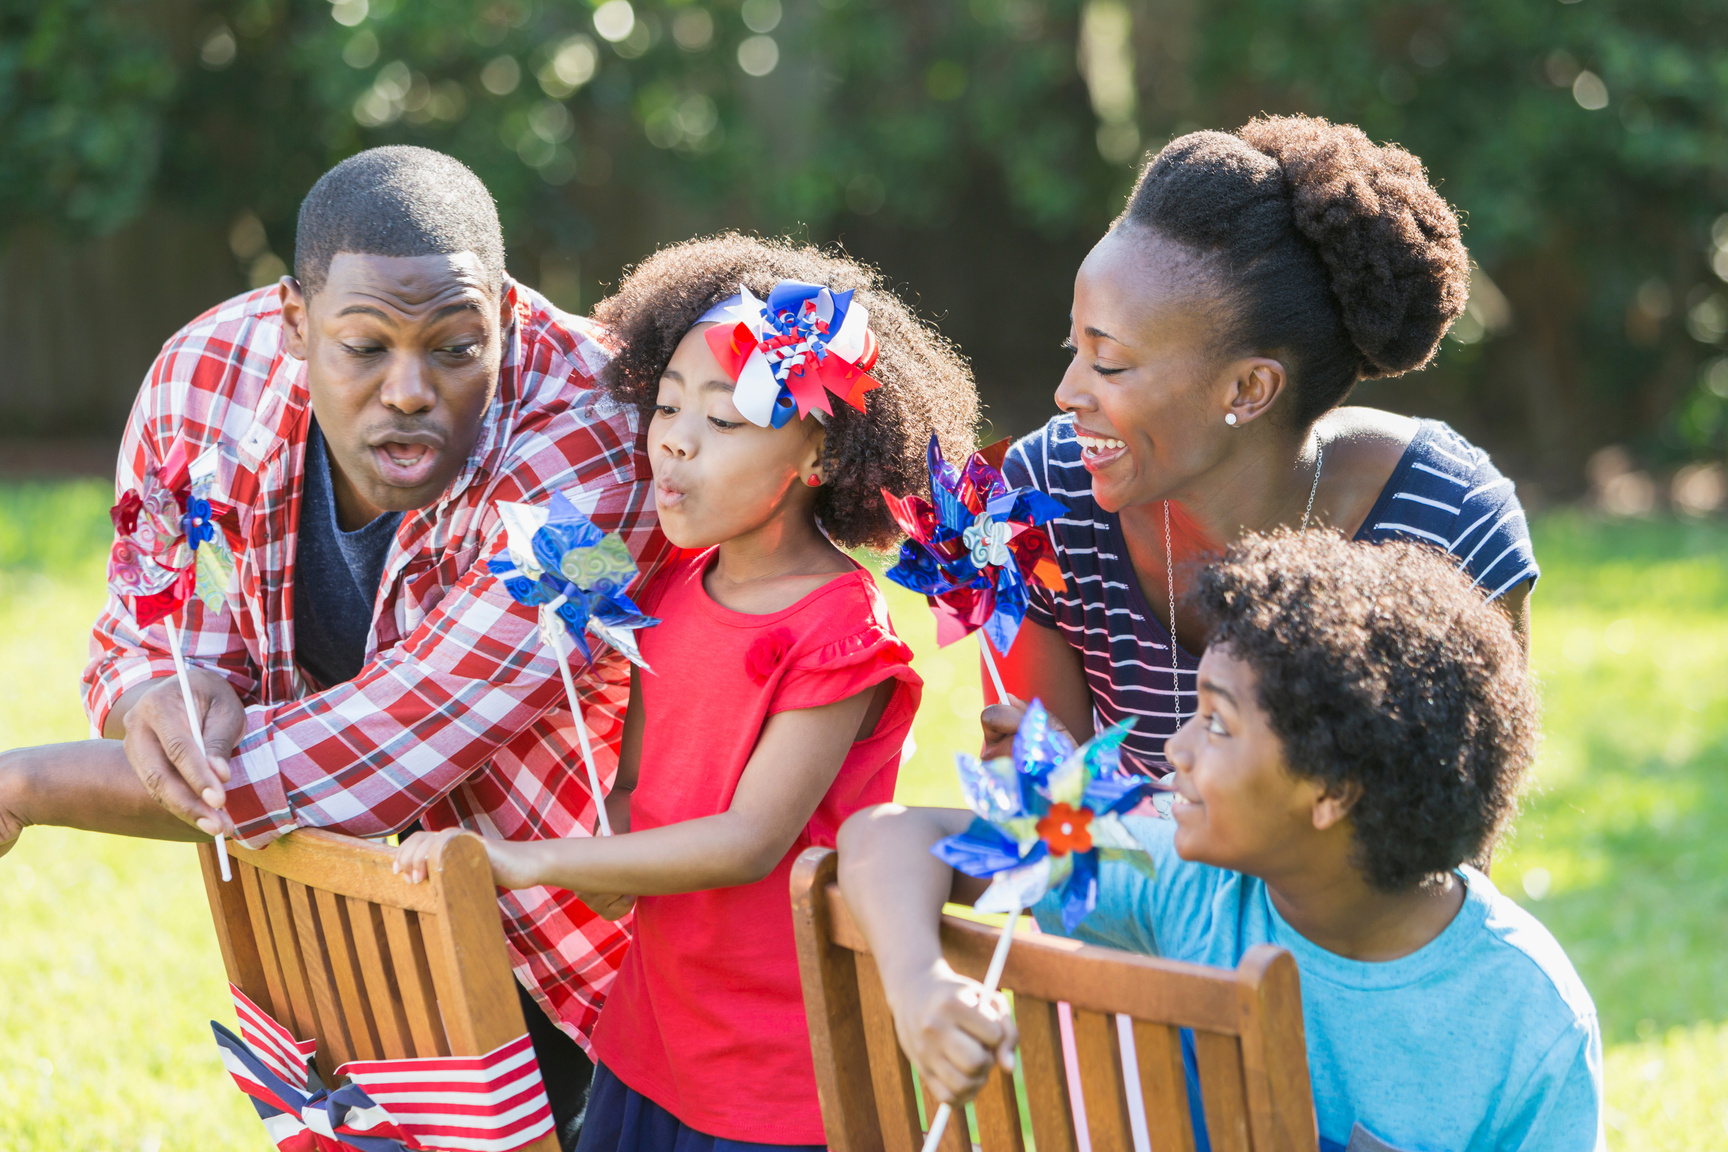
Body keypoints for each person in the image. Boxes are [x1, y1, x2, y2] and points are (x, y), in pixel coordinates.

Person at [0, 146, 668, 1145]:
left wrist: (27, 785)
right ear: (294, 323)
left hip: (578, 935)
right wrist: (159, 696)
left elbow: (375, 762)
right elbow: (144, 623)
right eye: (365, 348)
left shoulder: (592, 439)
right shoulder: (206, 376)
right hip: (328, 920)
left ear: (507, 317)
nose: (409, 390)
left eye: (455, 347)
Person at [394, 234, 978, 1150]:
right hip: (651, 1036)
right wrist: (614, 851)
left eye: (725, 419)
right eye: (667, 406)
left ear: (819, 457)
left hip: (777, 1069)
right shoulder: (665, 587)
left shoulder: (839, 632)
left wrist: (537, 862)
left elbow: (749, 843)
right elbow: (634, 790)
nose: (674, 437)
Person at [836, 531, 1603, 1152]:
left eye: (1217, 723)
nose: (1174, 749)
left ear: (1331, 791)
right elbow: (890, 836)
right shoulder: (1182, 882)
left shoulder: (1526, 1021)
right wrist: (918, 987)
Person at [995, 115, 1539, 774]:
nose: (1066, 393)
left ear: (1249, 389)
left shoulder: (1448, 521)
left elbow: (1453, 845)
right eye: (1072, 346)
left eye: (1108, 363)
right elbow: (1045, 823)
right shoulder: (1047, 497)